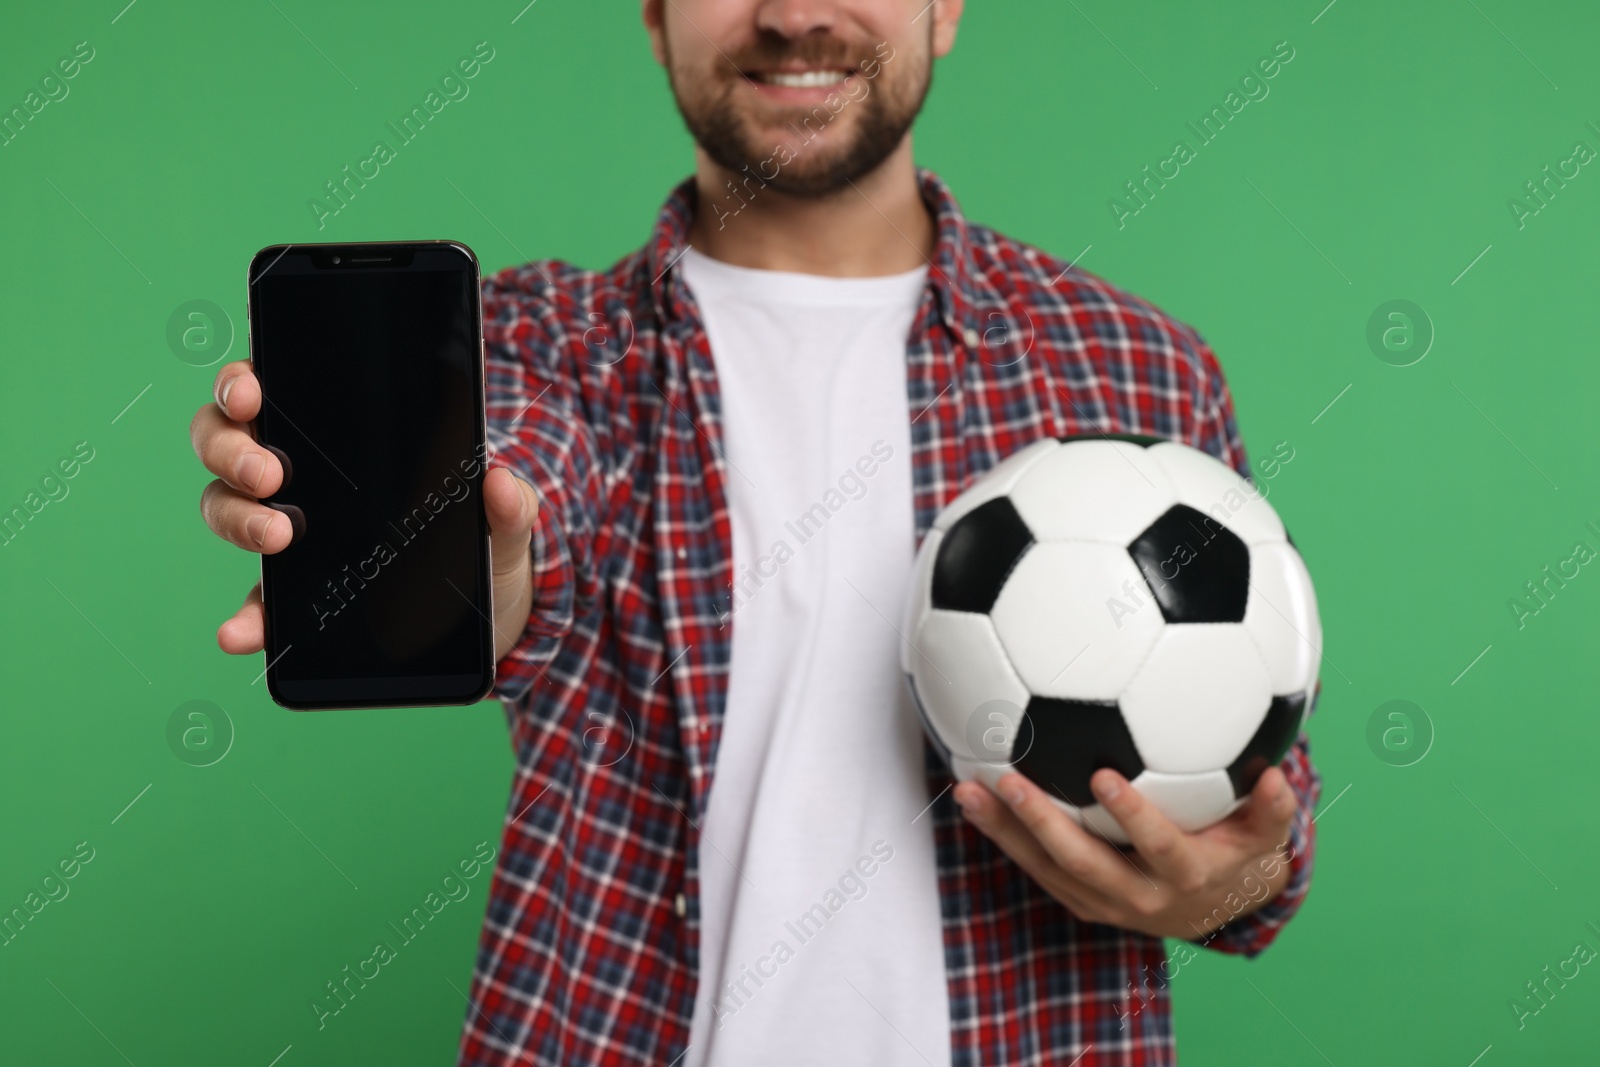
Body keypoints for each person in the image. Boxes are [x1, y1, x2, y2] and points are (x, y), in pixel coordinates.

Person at [188, 1, 1321, 1063]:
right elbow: (526, 501)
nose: (790, 13)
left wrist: (1226, 880)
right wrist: (467, 561)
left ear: (947, 4)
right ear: (652, 12)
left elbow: (1257, 806)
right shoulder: (536, 349)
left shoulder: (1136, 368)